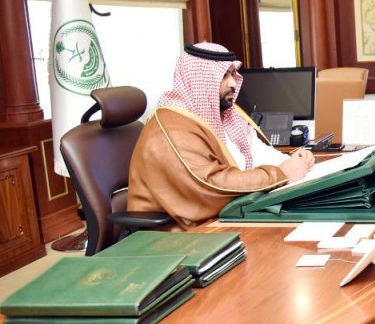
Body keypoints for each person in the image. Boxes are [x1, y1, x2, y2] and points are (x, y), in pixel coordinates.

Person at [128, 42, 315, 228]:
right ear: (201, 80)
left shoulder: (222, 113)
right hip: (180, 234)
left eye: (233, 74)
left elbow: (253, 152)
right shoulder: (172, 128)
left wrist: (294, 161)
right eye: (224, 75)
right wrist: (281, 174)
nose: (233, 83)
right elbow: (211, 184)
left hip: (225, 217)